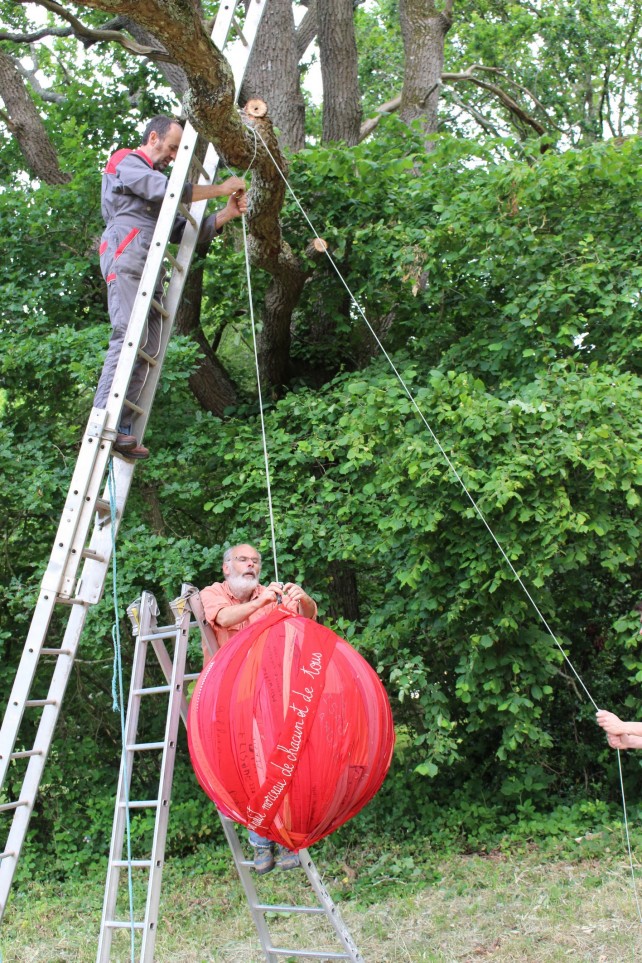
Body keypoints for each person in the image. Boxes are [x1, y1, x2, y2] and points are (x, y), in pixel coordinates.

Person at [94, 115, 247, 460]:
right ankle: (105, 418)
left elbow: (185, 230)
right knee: (127, 333)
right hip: (128, 250)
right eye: (173, 148)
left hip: (149, 260)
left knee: (147, 343)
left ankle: (124, 428)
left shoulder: (157, 184)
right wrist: (220, 188)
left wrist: (226, 213)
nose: (175, 157)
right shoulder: (126, 161)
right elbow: (166, 189)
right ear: (153, 138)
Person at [200, 543, 318, 874]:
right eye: (242, 560)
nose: (250, 566)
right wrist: (262, 603)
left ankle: (280, 838)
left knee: (283, 762)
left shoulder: (270, 592)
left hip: (269, 695)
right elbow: (223, 618)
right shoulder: (214, 593)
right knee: (248, 772)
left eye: (255, 561)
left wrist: (304, 598)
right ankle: (262, 840)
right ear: (227, 568)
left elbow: (309, 618)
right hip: (229, 698)